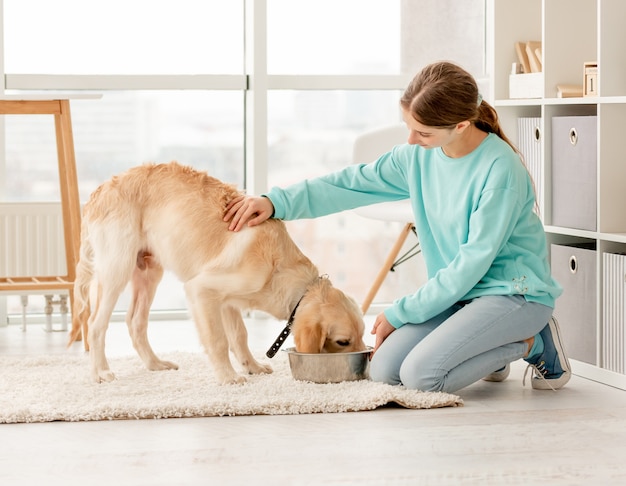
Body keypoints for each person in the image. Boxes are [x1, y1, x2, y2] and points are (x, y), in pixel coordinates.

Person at [223, 61, 571, 394]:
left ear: (461, 125)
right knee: (385, 371)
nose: (411, 140)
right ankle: (484, 343)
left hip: (512, 293)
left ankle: (533, 341)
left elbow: (469, 267)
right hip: (460, 297)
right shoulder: (418, 156)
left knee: (423, 376)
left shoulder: (500, 171)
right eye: (409, 126)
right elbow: (349, 185)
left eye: (422, 131)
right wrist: (275, 202)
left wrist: (399, 311)